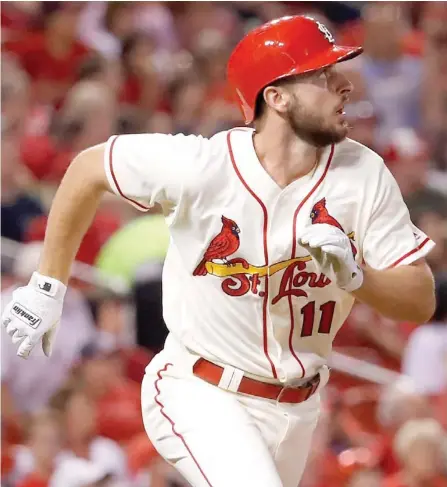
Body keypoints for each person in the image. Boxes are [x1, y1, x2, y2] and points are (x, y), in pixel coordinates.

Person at [1, 15, 437, 487]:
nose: (344, 84)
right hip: (201, 389)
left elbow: (421, 298)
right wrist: (48, 284)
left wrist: (358, 278)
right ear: (277, 96)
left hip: (297, 409)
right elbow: (89, 168)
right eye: (322, 75)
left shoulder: (364, 173)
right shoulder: (204, 166)